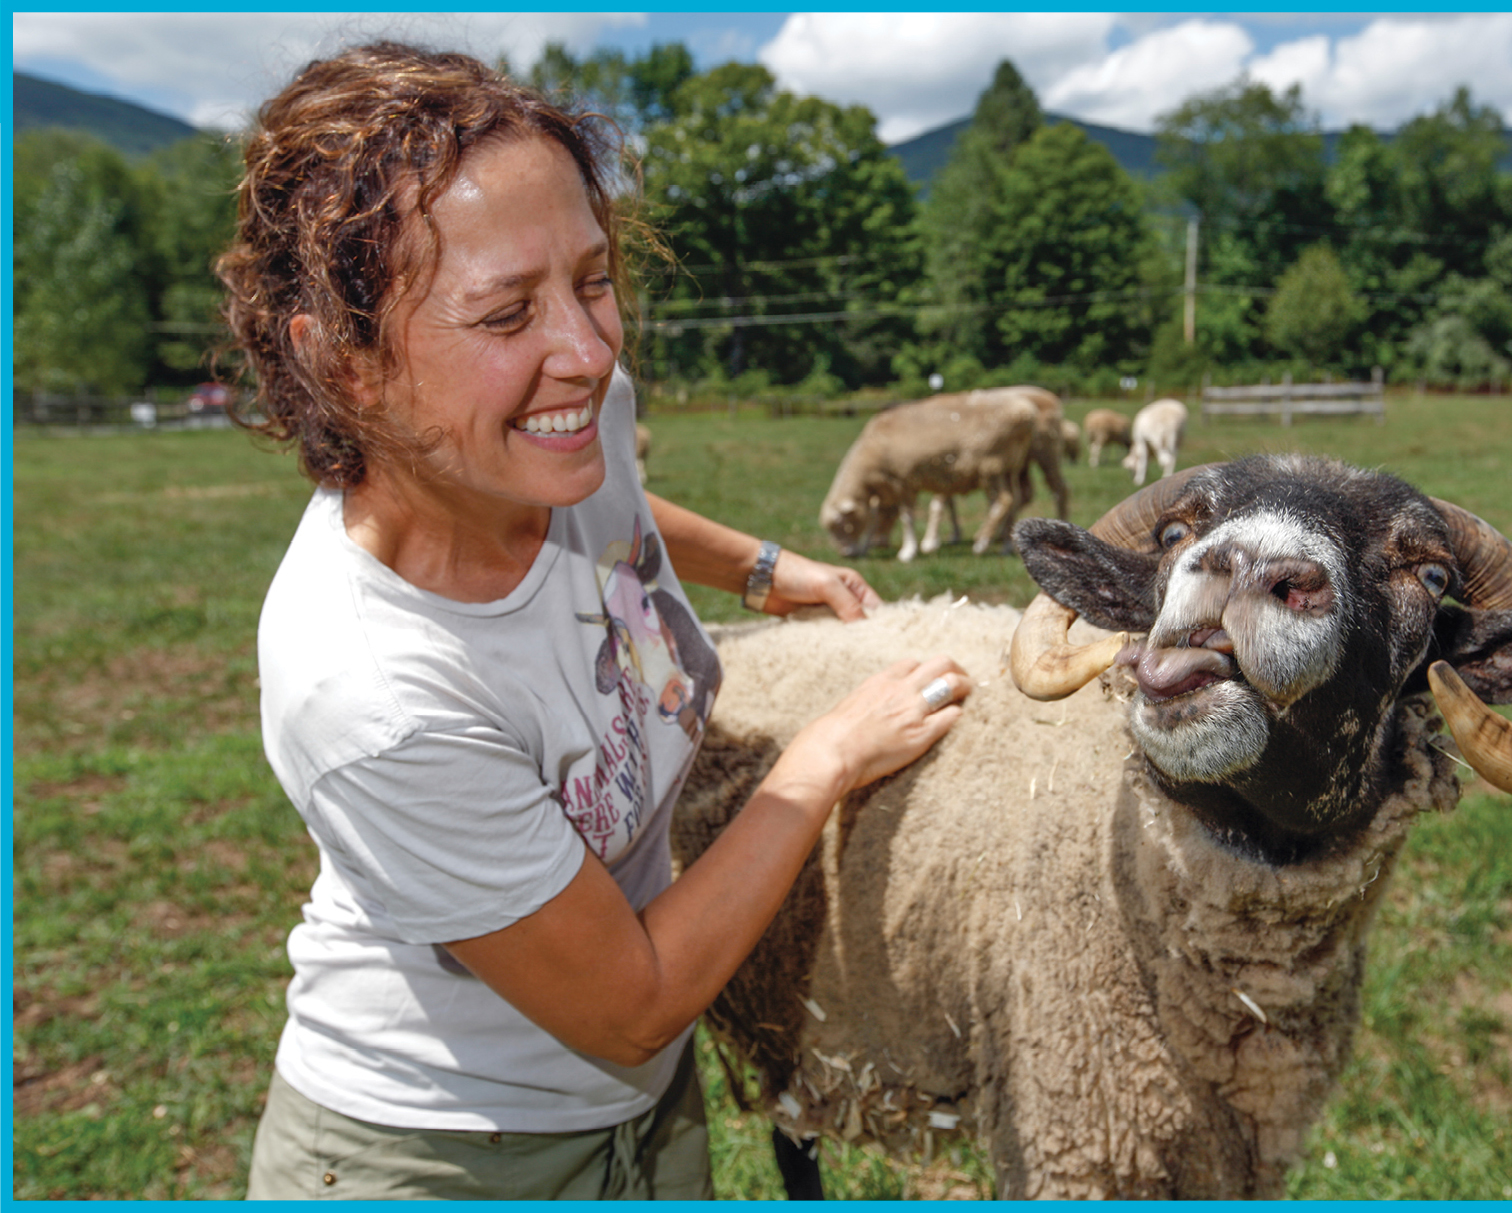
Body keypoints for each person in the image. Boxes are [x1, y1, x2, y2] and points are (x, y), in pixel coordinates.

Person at [217, 41, 971, 1200]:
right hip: (450, 1153)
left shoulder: (553, 422)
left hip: (644, 1113)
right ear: (345, 363)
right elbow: (630, 1004)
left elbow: (609, 480)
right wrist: (819, 760)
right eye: (506, 310)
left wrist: (763, 570)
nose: (585, 349)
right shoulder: (372, 689)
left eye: (594, 277)